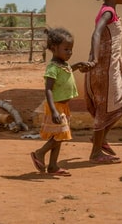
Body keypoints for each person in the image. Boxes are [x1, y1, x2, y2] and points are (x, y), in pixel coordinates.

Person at [83, 0, 122, 165]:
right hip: (103, 68)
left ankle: (101, 138)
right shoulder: (107, 12)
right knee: (104, 109)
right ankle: (96, 152)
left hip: (112, 65)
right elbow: (96, 33)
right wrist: (96, 59)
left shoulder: (110, 11)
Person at [29, 27, 88, 177]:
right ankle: (39, 153)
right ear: (54, 48)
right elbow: (48, 89)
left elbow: (67, 71)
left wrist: (78, 65)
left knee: (58, 137)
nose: (70, 52)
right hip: (55, 106)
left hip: (63, 106)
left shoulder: (63, 64)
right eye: (66, 49)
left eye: (71, 49)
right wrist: (54, 110)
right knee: (62, 134)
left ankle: (53, 166)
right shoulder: (52, 67)